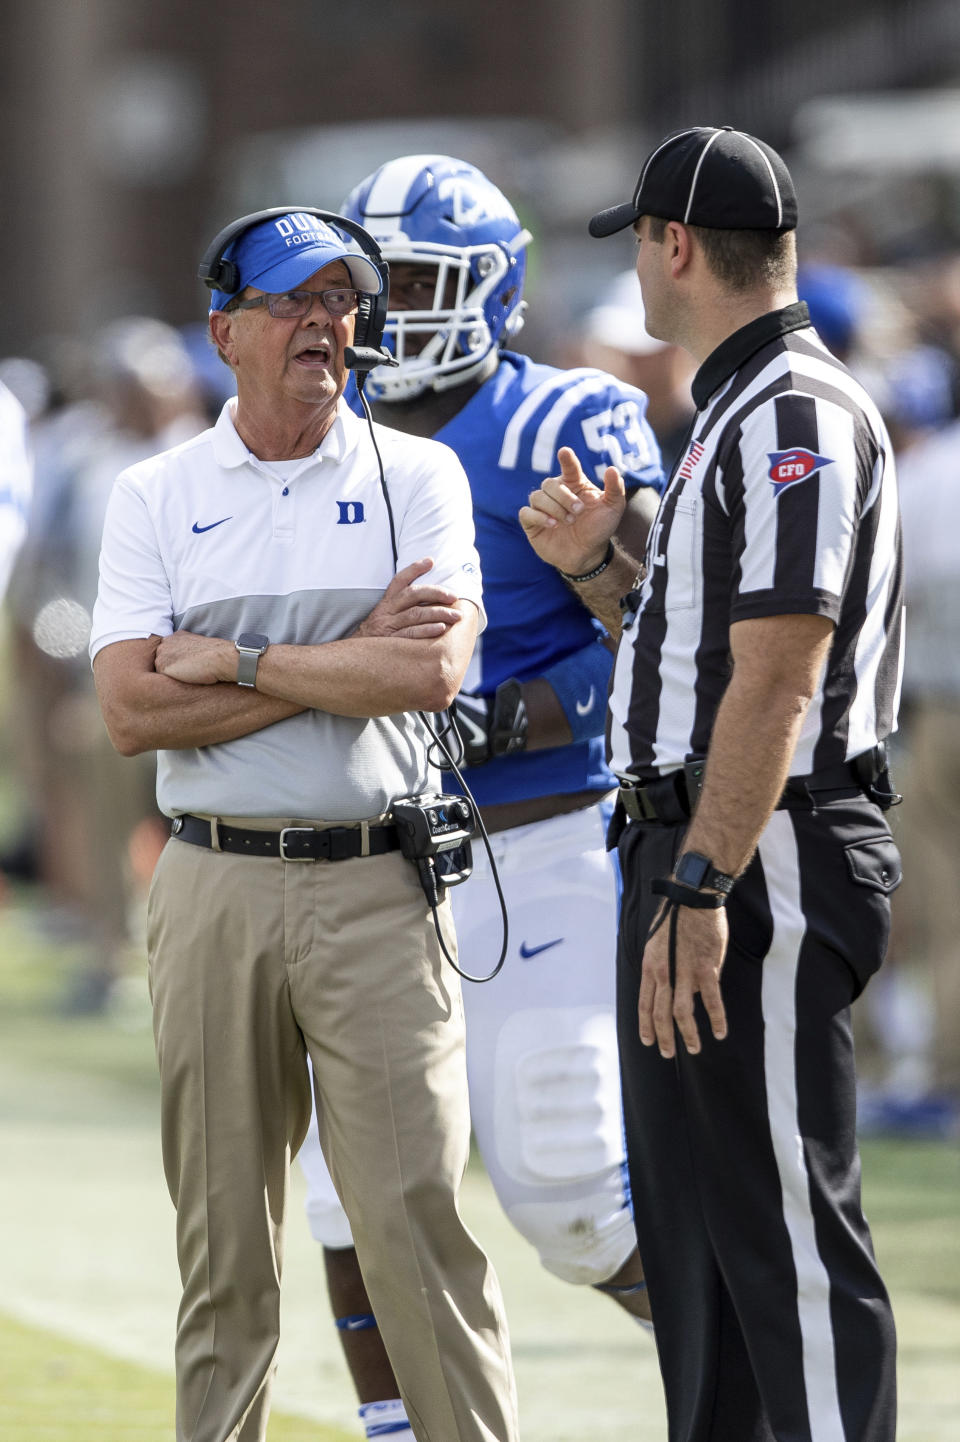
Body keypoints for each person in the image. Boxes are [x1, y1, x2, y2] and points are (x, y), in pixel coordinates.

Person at [89, 207, 519, 1442]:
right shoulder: (155, 492)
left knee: (414, 1231)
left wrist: (229, 659)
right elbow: (126, 709)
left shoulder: (419, 474)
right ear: (225, 330)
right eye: (292, 300)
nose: (325, 322)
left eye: (341, 299)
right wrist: (339, 657)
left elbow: (430, 677)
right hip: (212, 883)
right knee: (226, 1249)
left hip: (380, 883)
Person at [519, 127, 902, 1442]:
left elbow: (781, 679)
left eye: (640, 235)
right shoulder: (742, 405)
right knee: (702, 1243)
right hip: (715, 841)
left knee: (782, 1233)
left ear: (675, 245)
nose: (638, 259)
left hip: (756, 850)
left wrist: (701, 878)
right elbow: (703, 670)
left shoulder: (788, 409)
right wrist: (602, 576)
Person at [293, 155, 665, 1441]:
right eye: (371, 282)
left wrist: (509, 713)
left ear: (495, 288)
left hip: (538, 834)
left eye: (418, 281)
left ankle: (757, 1377)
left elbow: (664, 637)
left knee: (571, 1192)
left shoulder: (564, 417)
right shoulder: (311, 436)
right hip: (363, 852)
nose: (388, 306)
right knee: (351, 1186)